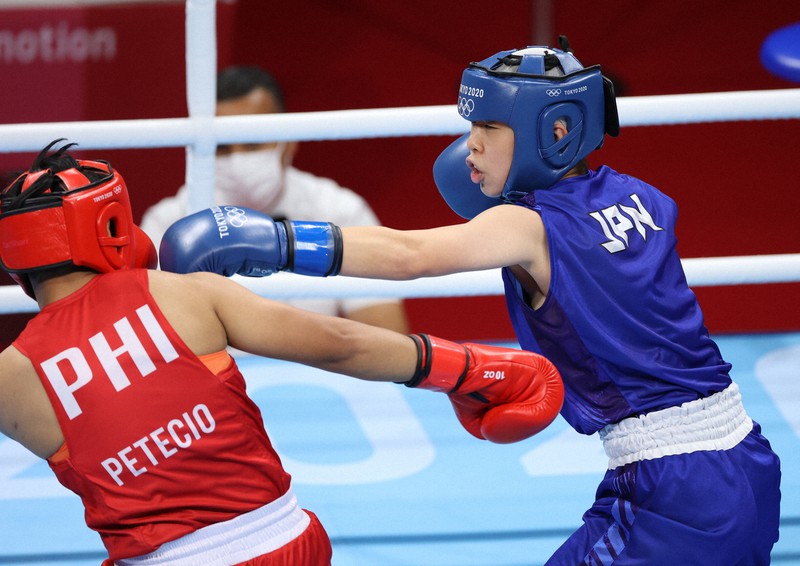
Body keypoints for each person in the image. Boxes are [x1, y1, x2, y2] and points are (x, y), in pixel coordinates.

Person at [161, 37, 782, 564]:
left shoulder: (529, 226)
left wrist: (277, 243)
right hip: (741, 456)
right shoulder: (647, 198)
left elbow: (411, 255)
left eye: (488, 127)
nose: (472, 148)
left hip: (674, 487)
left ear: (555, 130)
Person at [0, 139, 563, 565]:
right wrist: (469, 369)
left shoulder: (12, 376)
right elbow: (338, 345)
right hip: (285, 541)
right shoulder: (180, 293)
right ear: (111, 223)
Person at [141, 65, 409, 332]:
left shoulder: (341, 210)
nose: (238, 158)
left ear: (288, 141)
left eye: (253, 142)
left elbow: (388, 336)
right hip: (211, 372)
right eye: (221, 146)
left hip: (316, 368)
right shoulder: (165, 223)